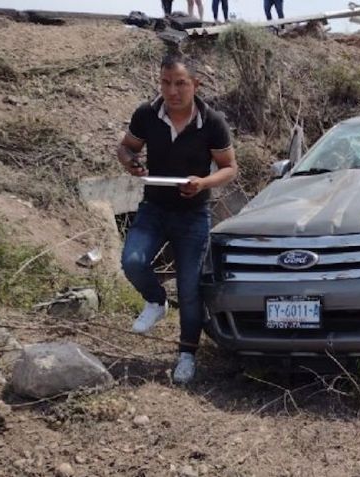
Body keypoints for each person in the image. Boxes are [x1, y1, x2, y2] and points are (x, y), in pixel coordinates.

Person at [117, 52, 238, 384]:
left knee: (189, 289)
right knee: (133, 261)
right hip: (153, 207)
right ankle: (156, 301)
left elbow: (229, 167)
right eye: (166, 83)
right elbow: (125, 147)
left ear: (195, 84)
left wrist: (203, 183)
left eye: (180, 83)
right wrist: (131, 162)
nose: (172, 91)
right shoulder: (146, 114)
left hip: (193, 214)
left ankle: (186, 354)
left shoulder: (211, 122)